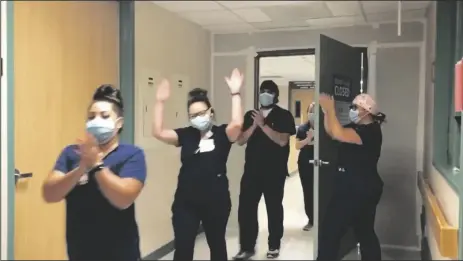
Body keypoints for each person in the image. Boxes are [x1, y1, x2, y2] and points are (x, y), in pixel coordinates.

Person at [42, 85, 147, 261]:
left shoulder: (132, 154)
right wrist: (81, 168)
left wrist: (96, 165)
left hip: (122, 253)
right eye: (91, 117)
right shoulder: (71, 153)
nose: (96, 121)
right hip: (80, 252)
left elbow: (123, 199)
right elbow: (49, 194)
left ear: (119, 123)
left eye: (105, 116)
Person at [152, 69, 244, 261]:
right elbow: (158, 132)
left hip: (216, 202)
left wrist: (235, 93)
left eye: (202, 113)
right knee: (183, 250)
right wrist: (159, 102)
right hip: (186, 203)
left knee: (217, 246)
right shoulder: (186, 135)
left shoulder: (222, 134)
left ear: (211, 112)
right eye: (193, 115)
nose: (198, 118)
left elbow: (237, 123)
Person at [317, 93, 386, 261]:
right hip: (359, 187)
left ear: (367, 111)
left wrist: (330, 109)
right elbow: (333, 132)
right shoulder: (356, 128)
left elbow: (339, 133)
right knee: (364, 231)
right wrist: (327, 113)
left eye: (355, 107)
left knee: (330, 231)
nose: (352, 110)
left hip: (356, 190)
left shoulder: (370, 132)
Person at [233, 80, 296, 260]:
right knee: (246, 209)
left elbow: (282, 140)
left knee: (274, 208)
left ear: (275, 96)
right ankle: (247, 247)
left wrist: (262, 124)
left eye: (268, 92)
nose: (264, 94)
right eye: (262, 91)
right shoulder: (250, 115)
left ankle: (274, 245)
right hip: (252, 171)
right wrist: (254, 124)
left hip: (274, 173)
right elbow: (240, 140)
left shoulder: (284, 116)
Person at [295, 102, 315, 231]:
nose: (313, 113)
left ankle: (322, 219)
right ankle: (311, 220)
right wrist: (308, 140)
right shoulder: (303, 128)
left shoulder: (325, 127)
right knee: (308, 192)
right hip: (305, 163)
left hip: (322, 163)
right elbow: (297, 146)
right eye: (311, 110)